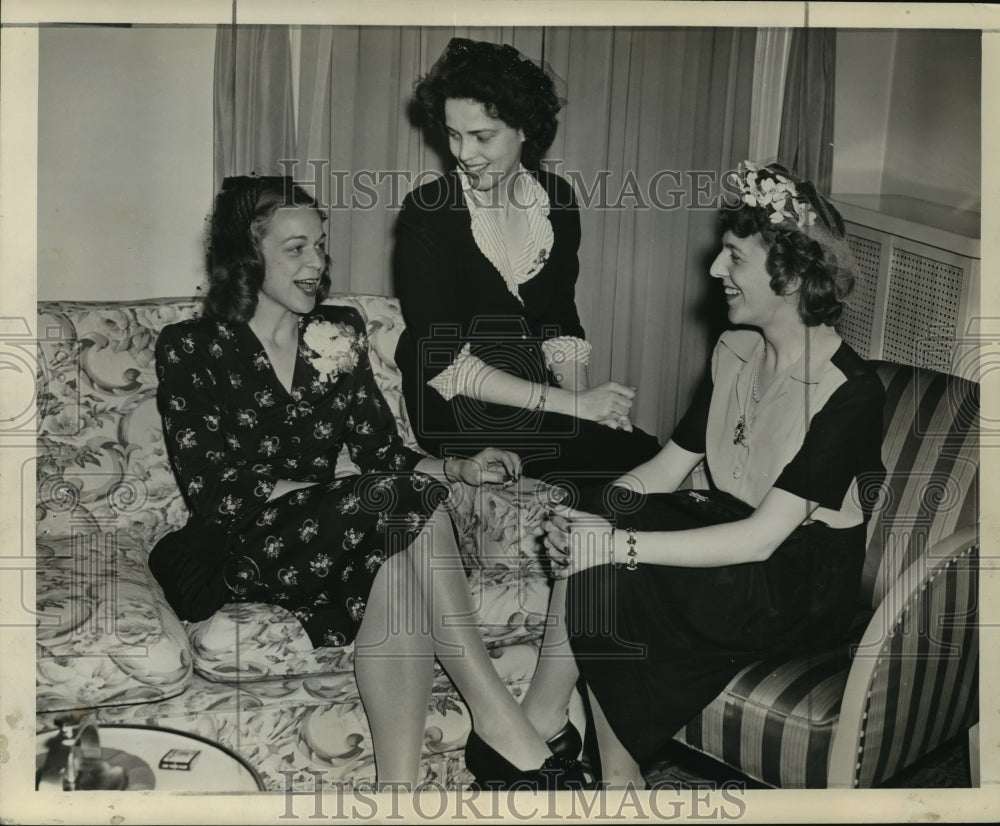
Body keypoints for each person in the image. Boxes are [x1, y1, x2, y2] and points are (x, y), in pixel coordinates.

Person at [150, 175, 587, 790]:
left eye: (321, 246)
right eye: (296, 247)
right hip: (238, 542)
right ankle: (497, 718)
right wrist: (347, 497)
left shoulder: (339, 331)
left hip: (331, 533)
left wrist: (458, 467)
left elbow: (381, 450)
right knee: (396, 504)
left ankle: (397, 794)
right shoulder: (190, 346)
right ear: (247, 256)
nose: (317, 263)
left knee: (401, 565)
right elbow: (214, 491)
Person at [537, 161, 887, 786]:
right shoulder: (736, 351)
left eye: (734, 257)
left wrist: (617, 542)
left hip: (796, 579)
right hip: (734, 537)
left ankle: (572, 746)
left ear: (793, 273)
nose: (714, 271)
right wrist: (588, 517)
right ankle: (596, 760)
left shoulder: (850, 393)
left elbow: (764, 539)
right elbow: (667, 467)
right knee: (600, 509)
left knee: (617, 558)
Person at [393, 37, 661, 490]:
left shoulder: (557, 200)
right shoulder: (429, 211)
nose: (463, 153)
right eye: (453, 133)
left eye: (482, 136)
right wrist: (574, 407)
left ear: (523, 130)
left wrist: (582, 398)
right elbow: (444, 363)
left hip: (531, 392)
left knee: (644, 455)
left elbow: (559, 320)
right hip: (455, 399)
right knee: (614, 466)